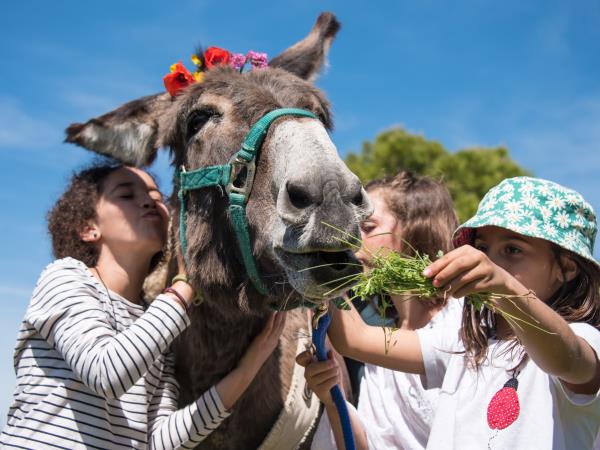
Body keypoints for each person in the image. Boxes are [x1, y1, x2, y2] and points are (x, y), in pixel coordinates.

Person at [0, 163, 286, 449]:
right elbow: (106, 374)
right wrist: (185, 285)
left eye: (157, 196)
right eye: (126, 194)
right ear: (88, 227)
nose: (150, 200)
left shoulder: (157, 322)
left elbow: (160, 441)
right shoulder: (65, 278)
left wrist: (250, 367)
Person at [321, 176, 600, 449]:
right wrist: (319, 263)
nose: (491, 260)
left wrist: (504, 286)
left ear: (566, 268)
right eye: (482, 248)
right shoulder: (464, 345)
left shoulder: (581, 339)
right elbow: (355, 339)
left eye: (513, 250)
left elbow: (566, 359)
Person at [300, 171, 463, 450]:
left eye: (368, 227)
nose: (352, 239)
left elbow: (352, 339)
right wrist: (332, 396)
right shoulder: (381, 358)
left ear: (415, 229)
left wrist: (317, 263)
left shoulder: (462, 323)